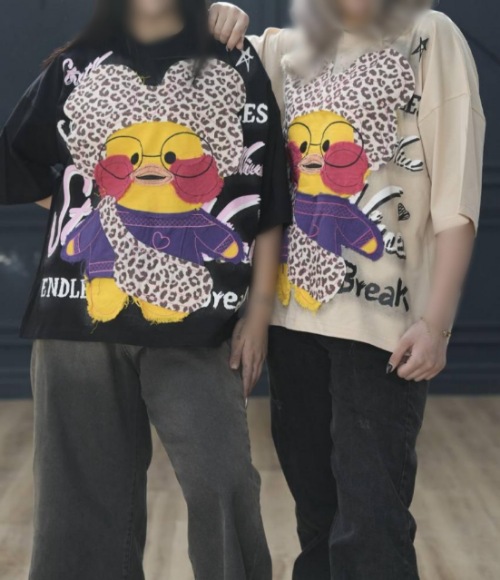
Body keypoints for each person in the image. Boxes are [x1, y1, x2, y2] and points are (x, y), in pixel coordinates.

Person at [0, 1, 291, 579]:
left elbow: (271, 199)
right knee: (76, 500)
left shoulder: (234, 60)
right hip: (77, 320)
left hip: (200, 321)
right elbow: (15, 163)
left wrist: (257, 315)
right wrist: (98, 205)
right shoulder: (79, 65)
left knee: (222, 480)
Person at [211, 1, 485, 578]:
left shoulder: (428, 34)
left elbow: (455, 199)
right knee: (316, 522)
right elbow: (189, 55)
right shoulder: (284, 49)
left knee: (372, 525)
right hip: (291, 323)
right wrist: (216, 12)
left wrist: (436, 324)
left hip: (383, 329)